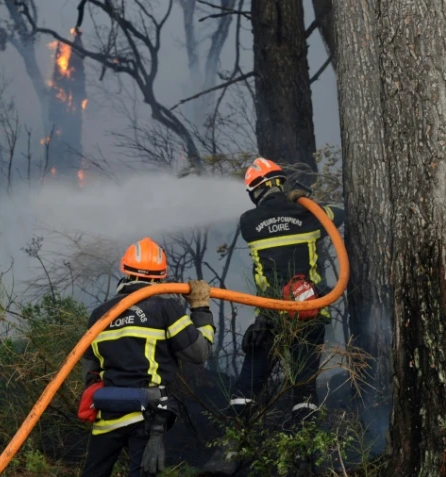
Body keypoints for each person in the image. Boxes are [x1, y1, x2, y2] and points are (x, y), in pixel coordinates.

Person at [203, 157, 345, 474]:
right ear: (280, 182)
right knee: (304, 389)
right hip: (310, 315)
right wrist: (306, 199)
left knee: (248, 385)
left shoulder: (249, 221)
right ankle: (303, 459)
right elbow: (341, 215)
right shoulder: (310, 215)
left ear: (255, 190)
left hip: (270, 317)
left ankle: (229, 455)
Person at [78, 237, 215, 477]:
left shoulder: (99, 314)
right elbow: (199, 353)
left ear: (125, 271)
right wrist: (201, 308)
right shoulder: (163, 308)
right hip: (147, 415)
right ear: (161, 277)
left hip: (108, 411)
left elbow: (88, 371)